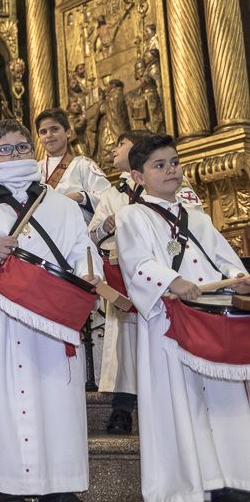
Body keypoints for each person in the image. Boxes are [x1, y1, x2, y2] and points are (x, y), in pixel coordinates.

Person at [0, 119, 100, 501]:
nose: (14, 154)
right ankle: (9, 487)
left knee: (56, 404)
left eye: (21, 147)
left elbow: (83, 248)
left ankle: (59, 487)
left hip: (52, 320)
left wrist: (89, 273)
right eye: (5, 149)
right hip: (1, 320)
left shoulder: (62, 205)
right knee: (5, 406)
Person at [116, 134, 250, 502]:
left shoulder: (198, 218)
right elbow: (137, 263)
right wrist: (173, 281)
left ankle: (233, 476)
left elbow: (225, 260)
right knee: (180, 400)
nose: (171, 170)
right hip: (170, 326)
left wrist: (238, 276)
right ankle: (188, 484)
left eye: (174, 162)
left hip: (210, 325)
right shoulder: (133, 216)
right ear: (138, 177)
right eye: (159, 165)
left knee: (223, 400)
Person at [87, 130, 203, 435]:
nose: (114, 148)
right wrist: (105, 227)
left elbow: (196, 228)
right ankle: (123, 408)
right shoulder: (112, 194)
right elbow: (91, 235)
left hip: (172, 273)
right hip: (125, 273)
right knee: (126, 343)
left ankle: (177, 406)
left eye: (121, 144)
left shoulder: (179, 188)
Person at [35, 108, 111, 222]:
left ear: (68, 132)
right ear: (39, 138)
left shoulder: (83, 164)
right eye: (43, 132)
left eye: (54, 129)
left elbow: (107, 198)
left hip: (76, 230)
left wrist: (80, 197)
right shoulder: (34, 170)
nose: (49, 135)